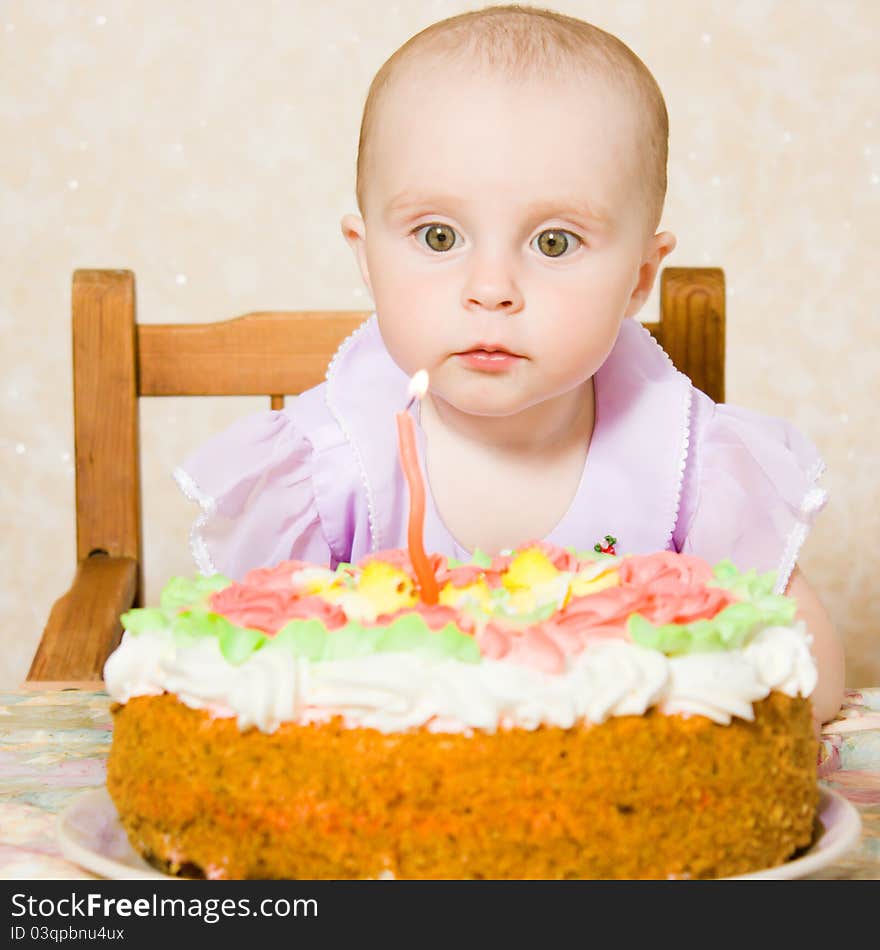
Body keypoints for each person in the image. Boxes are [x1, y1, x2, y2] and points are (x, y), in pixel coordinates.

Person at [174, 5, 844, 723]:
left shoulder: (690, 466)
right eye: (438, 236)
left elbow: (809, 675)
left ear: (640, 277)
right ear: (365, 255)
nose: (490, 288)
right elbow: (236, 685)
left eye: (554, 243)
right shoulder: (326, 466)